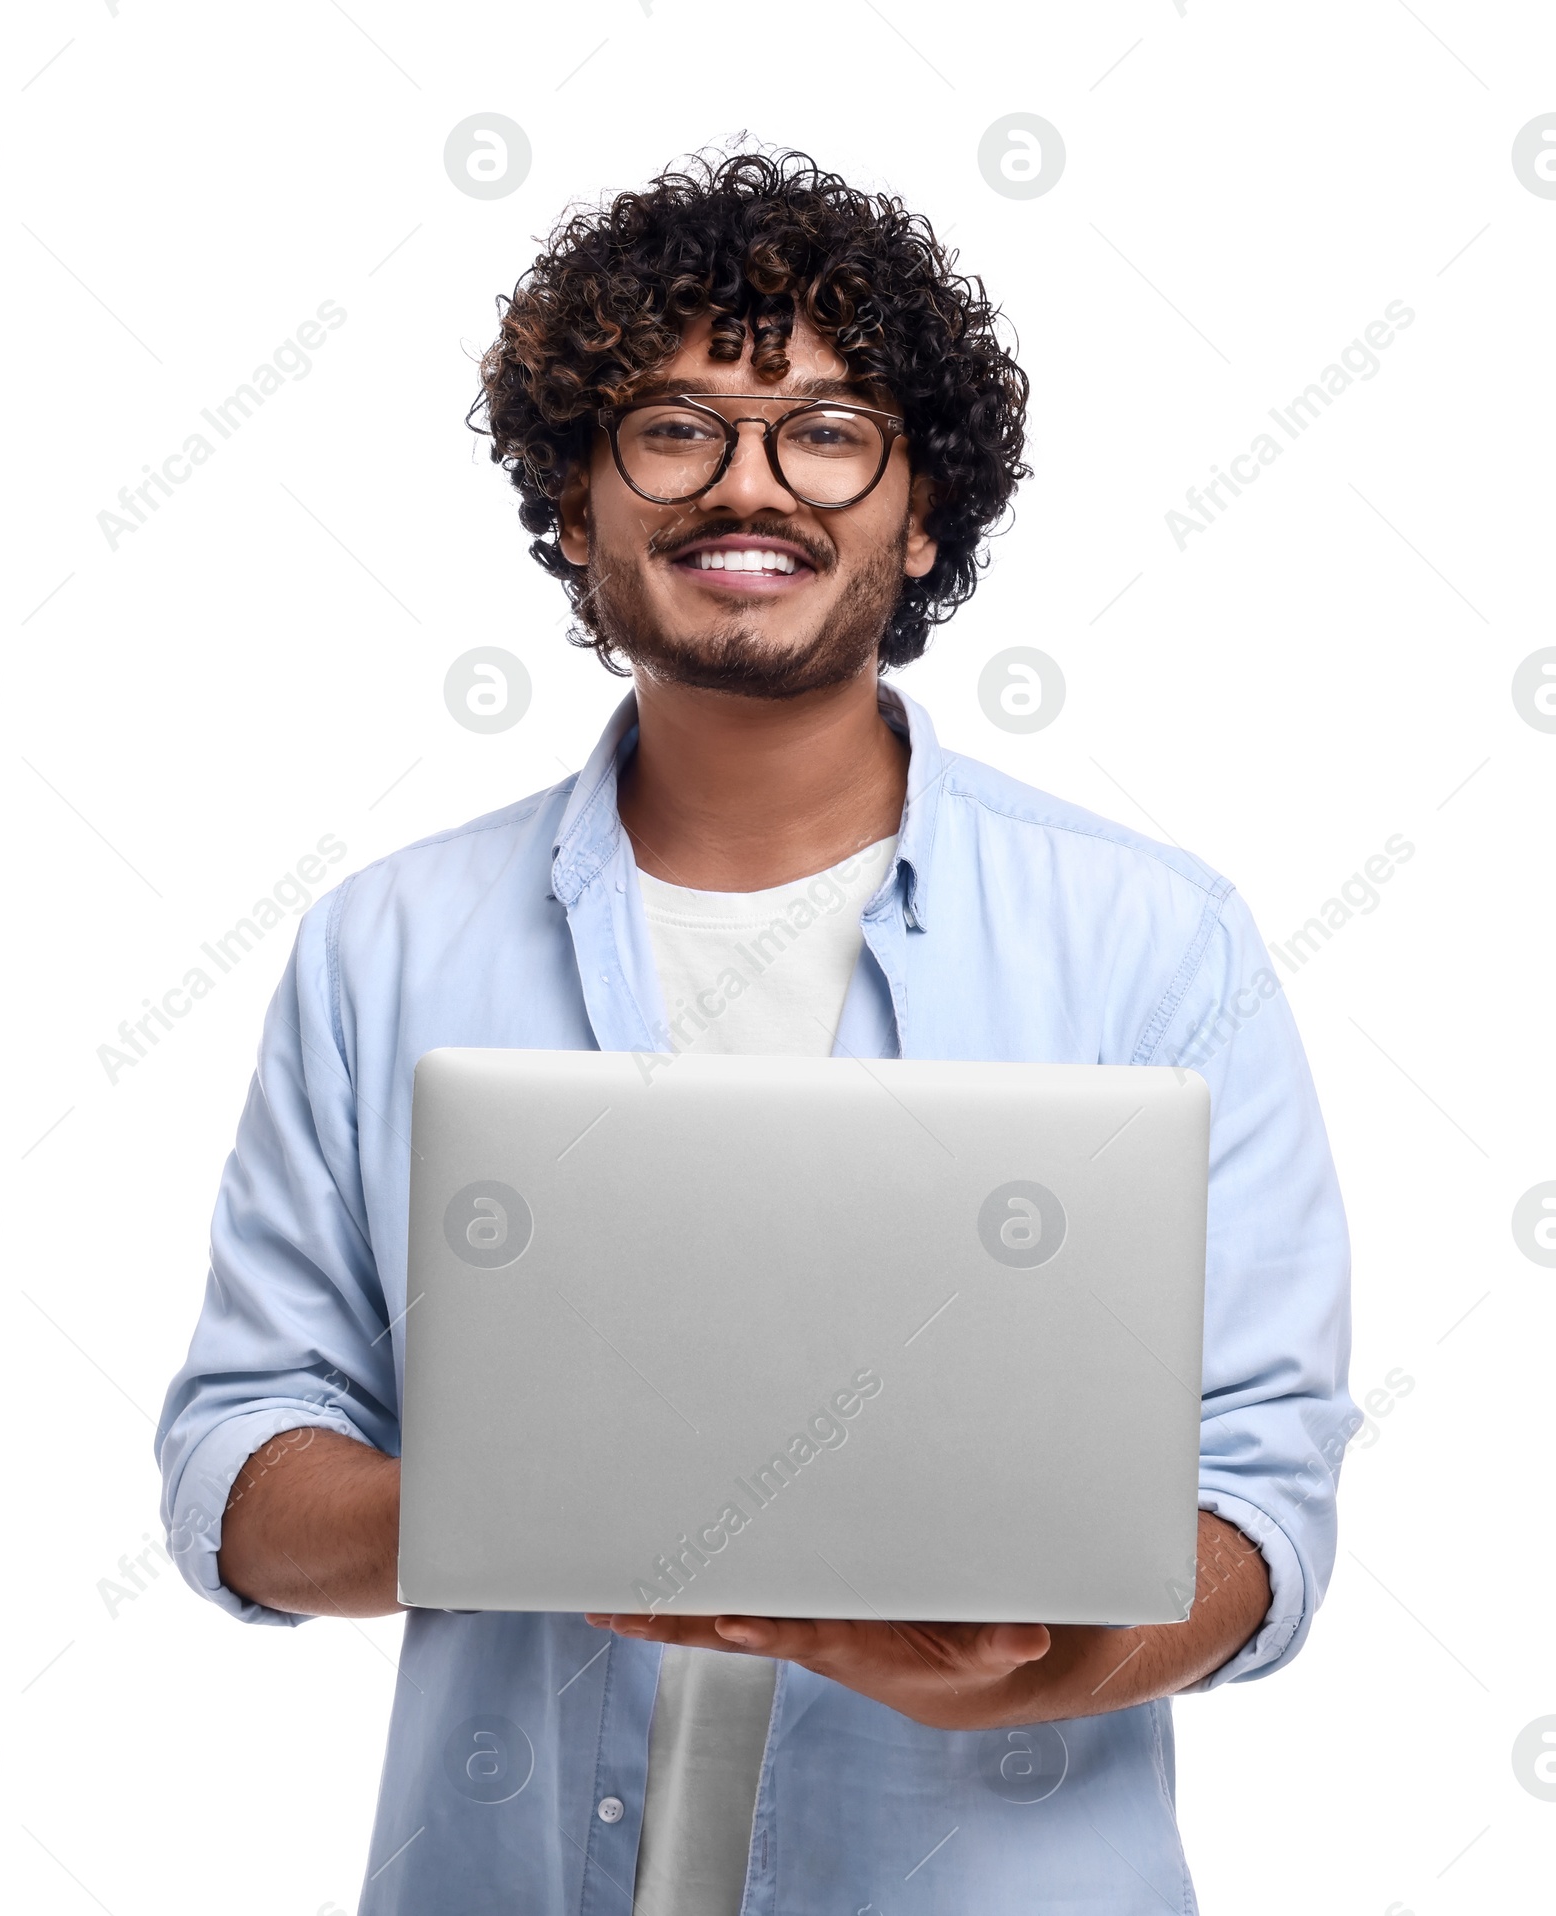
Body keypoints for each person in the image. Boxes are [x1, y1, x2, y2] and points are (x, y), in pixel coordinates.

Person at [157, 149, 1354, 1915]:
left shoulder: (1151, 941)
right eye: (673, 428)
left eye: (825, 431)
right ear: (576, 506)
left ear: (919, 510)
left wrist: (1040, 1667)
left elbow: (1258, 1509)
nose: (749, 486)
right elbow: (241, 1463)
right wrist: (554, 1495)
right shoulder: (385, 945)